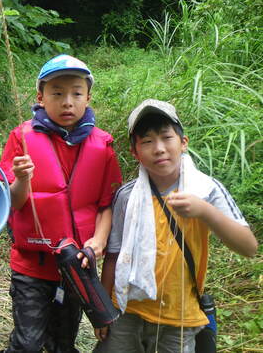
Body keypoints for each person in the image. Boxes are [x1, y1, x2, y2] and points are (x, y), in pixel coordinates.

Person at [94, 99, 258, 353]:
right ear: (134, 152)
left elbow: (248, 247)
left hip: (179, 317)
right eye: (147, 141)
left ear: (183, 143)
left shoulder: (206, 190)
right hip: (126, 311)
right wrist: (102, 312)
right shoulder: (127, 196)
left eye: (166, 138)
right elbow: (113, 256)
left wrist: (205, 212)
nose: (159, 149)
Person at [0, 54, 123, 353]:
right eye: (57, 93)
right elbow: (11, 202)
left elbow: (106, 204)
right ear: (41, 98)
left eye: (76, 93)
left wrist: (98, 241)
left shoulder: (102, 144)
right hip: (31, 266)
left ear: (88, 97)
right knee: (28, 343)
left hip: (77, 264)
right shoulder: (21, 138)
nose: (68, 102)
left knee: (63, 342)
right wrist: (22, 179)